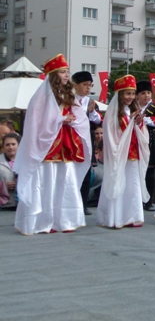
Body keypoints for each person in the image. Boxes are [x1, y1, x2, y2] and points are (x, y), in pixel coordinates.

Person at [14, 54, 92, 235]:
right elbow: (36, 122)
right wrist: (60, 119)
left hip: (65, 144)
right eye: (62, 72)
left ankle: (65, 220)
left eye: (67, 72)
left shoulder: (69, 94)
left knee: (65, 180)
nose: (66, 75)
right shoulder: (42, 96)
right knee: (46, 182)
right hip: (47, 146)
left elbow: (80, 117)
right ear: (54, 74)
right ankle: (43, 221)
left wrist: (72, 120)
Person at [96, 74, 150, 229]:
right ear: (120, 94)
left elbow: (139, 132)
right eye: (127, 93)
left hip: (133, 153)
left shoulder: (134, 110)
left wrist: (139, 123)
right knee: (118, 182)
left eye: (133, 93)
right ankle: (116, 217)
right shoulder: (113, 113)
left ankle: (132, 216)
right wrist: (130, 120)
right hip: (120, 153)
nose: (131, 97)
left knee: (132, 183)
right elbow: (112, 133)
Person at [72, 70, 102, 216]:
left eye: (90, 85)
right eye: (85, 85)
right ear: (75, 85)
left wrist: (92, 112)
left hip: (86, 140)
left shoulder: (90, 102)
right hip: (72, 139)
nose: (88, 88)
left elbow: (98, 121)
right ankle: (71, 204)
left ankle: (83, 204)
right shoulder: (68, 100)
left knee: (85, 172)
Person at [136, 80, 155, 211]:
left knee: (151, 172)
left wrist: (144, 119)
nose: (146, 95)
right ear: (137, 95)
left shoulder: (154, 108)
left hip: (151, 141)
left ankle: (148, 201)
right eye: (143, 93)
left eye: (148, 92)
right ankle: (137, 199)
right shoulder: (133, 107)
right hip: (136, 141)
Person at [0, 133, 20, 208]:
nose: (10, 147)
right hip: (4, 206)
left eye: (13, 144)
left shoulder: (26, 162)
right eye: (7, 145)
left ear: (18, 145)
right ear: (3, 147)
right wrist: (3, 186)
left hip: (22, 205)